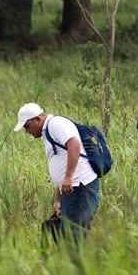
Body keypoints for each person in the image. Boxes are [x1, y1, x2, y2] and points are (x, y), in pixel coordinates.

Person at [14, 103, 101, 243]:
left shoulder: (55, 124)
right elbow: (60, 164)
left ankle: (85, 262)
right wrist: (58, 199)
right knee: (67, 233)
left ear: (37, 119)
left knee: (75, 234)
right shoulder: (47, 130)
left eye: (27, 126)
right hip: (71, 188)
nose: (27, 131)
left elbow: (74, 144)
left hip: (81, 186)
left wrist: (69, 177)